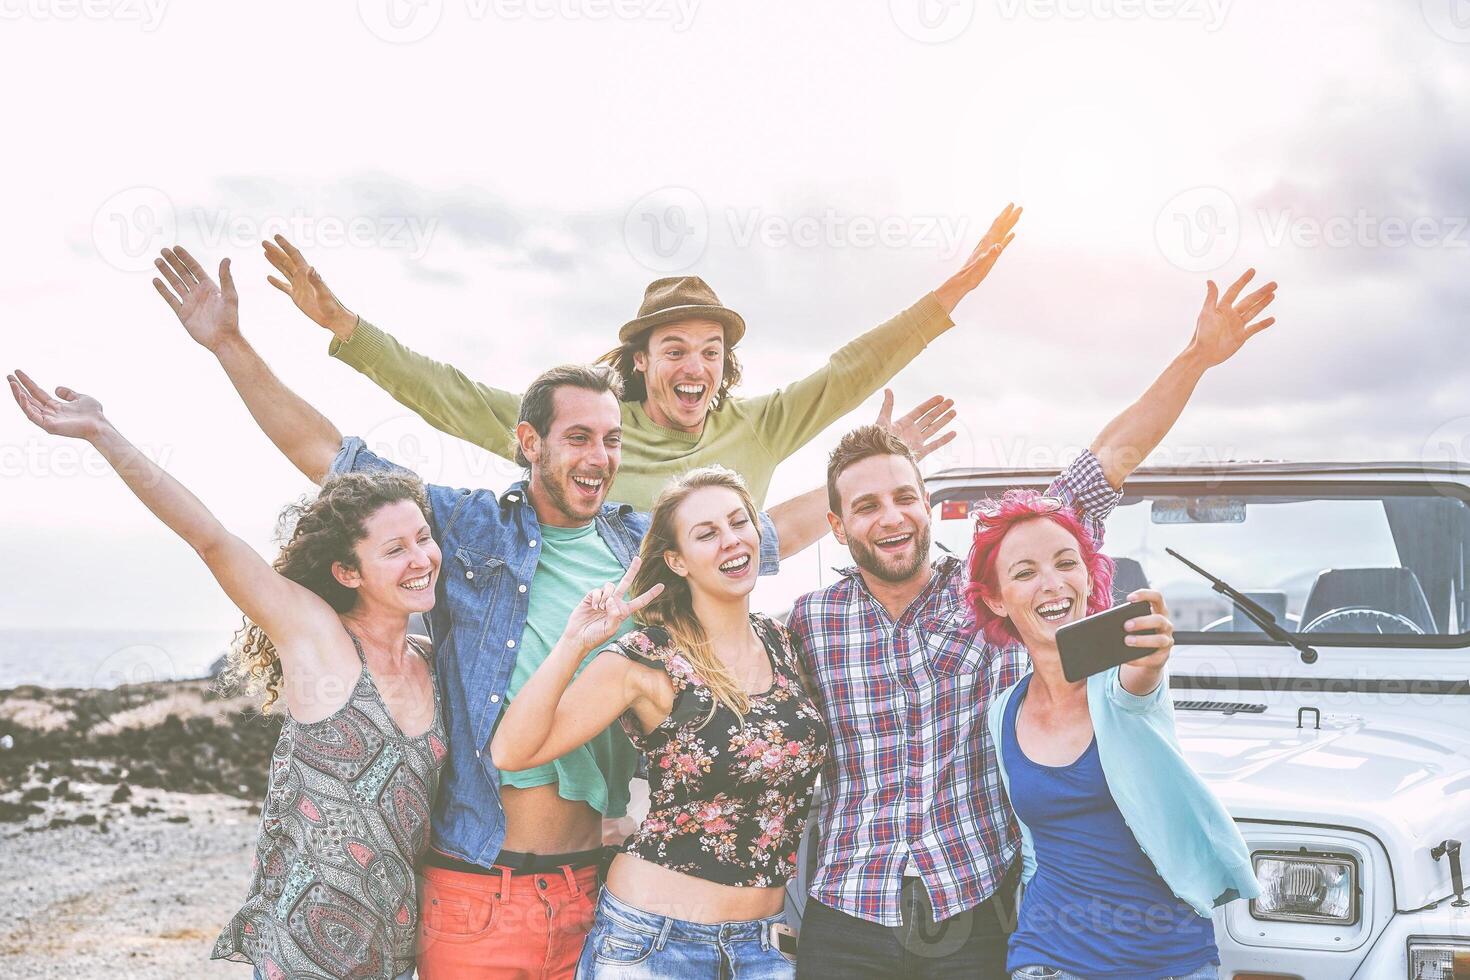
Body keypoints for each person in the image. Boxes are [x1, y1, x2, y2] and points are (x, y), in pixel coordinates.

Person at [146, 245, 949, 979]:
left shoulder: (643, 550)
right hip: (479, 893)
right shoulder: (467, 533)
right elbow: (330, 458)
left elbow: (762, 536)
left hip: (597, 895)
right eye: (577, 438)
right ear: (529, 442)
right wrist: (230, 348)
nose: (599, 458)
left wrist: (872, 473)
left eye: (609, 440)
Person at [788, 269, 1279, 979]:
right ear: (837, 526)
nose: (890, 517)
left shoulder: (997, 583)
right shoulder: (810, 625)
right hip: (847, 914)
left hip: (976, 907)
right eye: (865, 507)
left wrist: (1196, 356)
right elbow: (724, 572)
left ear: (928, 504)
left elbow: (1108, 459)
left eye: (904, 497)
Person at [7, 370, 442, 980]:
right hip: (302, 956)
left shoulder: (433, 661)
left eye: (423, 538)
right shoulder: (319, 638)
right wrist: (104, 434)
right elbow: (210, 539)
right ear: (347, 572)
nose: (422, 559)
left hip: (397, 954)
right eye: (395, 550)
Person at [256, 203, 1020, 509]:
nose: (698, 366)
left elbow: (852, 369)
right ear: (642, 361)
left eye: (713, 352)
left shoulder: (759, 428)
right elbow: (451, 396)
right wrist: (347, 327)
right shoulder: (585, 430)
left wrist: (951, 291)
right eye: (677, 350)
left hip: (699, 681)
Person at [491, 467, 828, 978]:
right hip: (653, 944)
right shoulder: (646, 659)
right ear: (677, 560)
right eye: (706, 534)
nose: (731, 541)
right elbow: (512, 752)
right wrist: (575, 643)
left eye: (740, 523)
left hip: (764, 947)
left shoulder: (784, 643)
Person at [971, 494, 1258, 980]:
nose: (1053, 583)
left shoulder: (1122, 683)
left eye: (1068, 564)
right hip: (1048, 959)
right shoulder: (1004, 712)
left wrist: (1151, 659)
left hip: (1170, 962)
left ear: (1089, 576)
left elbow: (1138, 687)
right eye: (1024, 573)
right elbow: (1034, 847)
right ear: (997, 599)